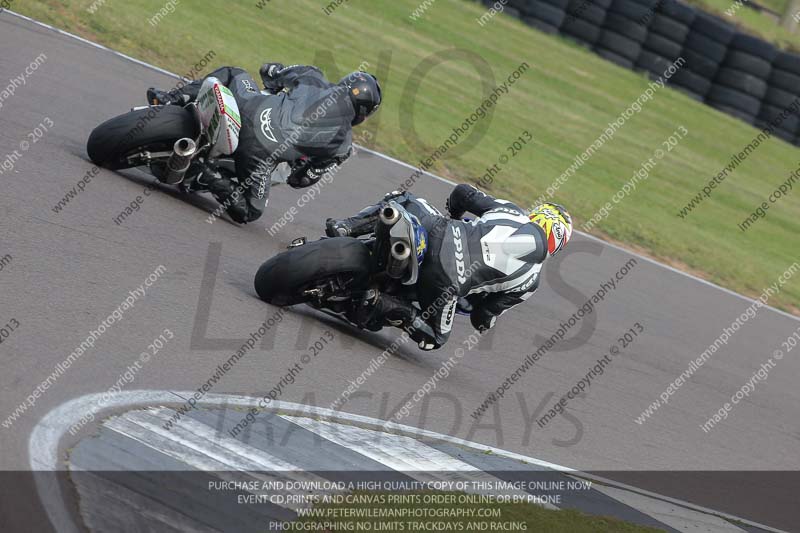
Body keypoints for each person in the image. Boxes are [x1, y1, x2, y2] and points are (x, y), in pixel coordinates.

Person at [326, 184, 573, 350]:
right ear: (557, 244)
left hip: (436, 229)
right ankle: (378, 301)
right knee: (435, 338)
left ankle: (346, 226)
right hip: (444, 283)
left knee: (405, 200)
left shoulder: (511, 211)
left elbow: (463, 193)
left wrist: (454, 215)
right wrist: (486, 322)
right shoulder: (531, 281)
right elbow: (482, 316)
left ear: (537, 215)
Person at [146, 64, 381, 223]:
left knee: (232, 72)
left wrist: (278, 84)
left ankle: (171, 98)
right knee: (251, 211)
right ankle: (204, 172)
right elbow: (299, 179)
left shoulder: (313, 75)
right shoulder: (343, 145)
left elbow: (269, 70)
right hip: (260, 153)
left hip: (248, 105)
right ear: (363, 113)